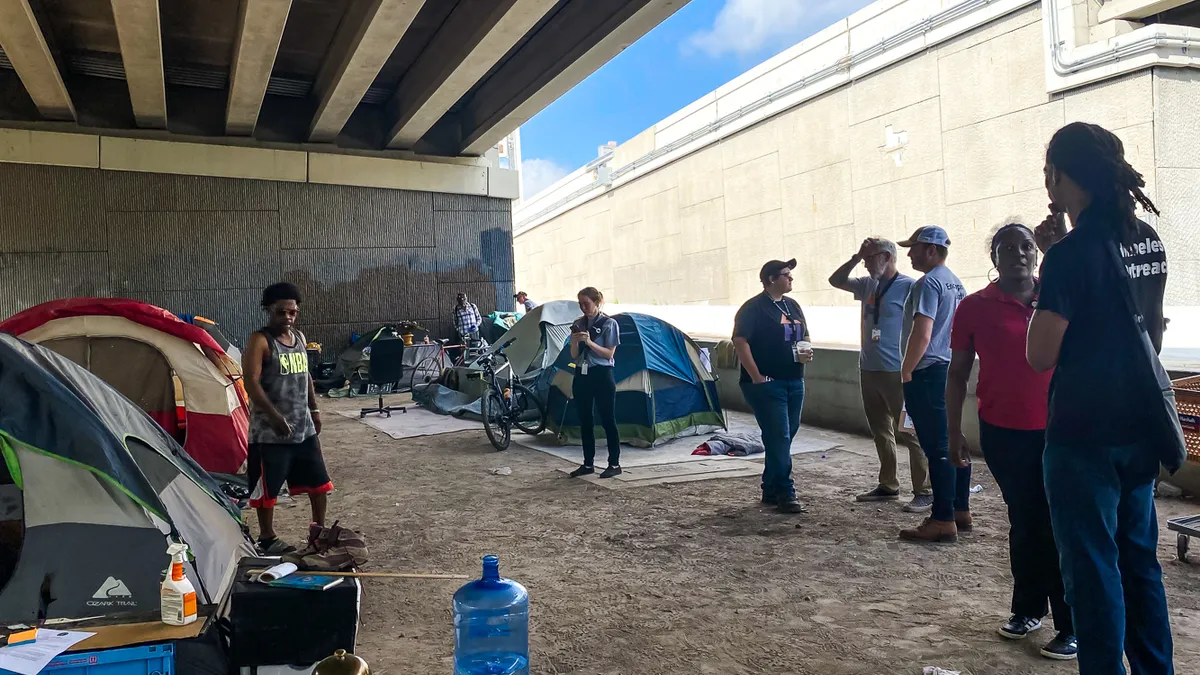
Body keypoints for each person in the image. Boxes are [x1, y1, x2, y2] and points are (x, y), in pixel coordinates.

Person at [1027, 121, 1173, 673]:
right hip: (1141, 426)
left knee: (1092, 570)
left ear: (1063, 176)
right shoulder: (1146, 239)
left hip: (1084, 431)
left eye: (1050, 174)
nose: (1048, 185)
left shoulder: (1069, 255)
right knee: (1139, 564)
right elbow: (1149, 327)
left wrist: (1051, 264)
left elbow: (1040, 354)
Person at [947, 223, 1076, 660]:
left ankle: (1071, 623)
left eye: (1026, 246)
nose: (1019, 253)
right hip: (1004, 433)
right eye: (1007, 248)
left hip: (1062, 430)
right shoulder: (974, 307)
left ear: (1037, 254)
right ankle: (1027, 610)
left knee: (1058, 522)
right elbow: (957, 373)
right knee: (1025, 518)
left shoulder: (1058, 294)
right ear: (994, 257)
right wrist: (953, 430)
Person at [829, 237, 932, 512]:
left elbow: (923, 327)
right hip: (868, 367)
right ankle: (889, 484)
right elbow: (835, 280)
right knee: (880, 430)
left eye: (870, 257)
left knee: (909, 431)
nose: (866, 262)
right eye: (864, 258)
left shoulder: (909, 286)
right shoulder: (867, 284)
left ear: (887, 257)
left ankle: (925, 489)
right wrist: (854, 257)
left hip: (895, 370)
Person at [243, 282, 333, 555]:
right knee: (266, 487)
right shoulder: (260, 341)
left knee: (318, 482)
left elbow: (305, 375)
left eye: (293, 312)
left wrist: (314, 410)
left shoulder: (300, 338)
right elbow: (251, 382)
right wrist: (274, 416)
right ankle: (267, 537)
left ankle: (318, 531)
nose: (288, 318)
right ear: (268, 311)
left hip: (302, 427)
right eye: (281, 312)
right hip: (270, 432)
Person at [895, 226, 968, 543]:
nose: (909, 253)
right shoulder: (956, 282)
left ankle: (941, 518)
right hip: (949, 368)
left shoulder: (928, 283)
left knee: (937, 447)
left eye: (914, 248)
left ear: (931, 250)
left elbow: (922, 333)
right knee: (952, 439)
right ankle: (959, 509)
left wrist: (906, 370)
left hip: (928, 369)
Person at [732, 259, 813, 514]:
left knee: (786, 434)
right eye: (786, 275)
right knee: (779, 435)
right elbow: (740, 341)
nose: (791, 279)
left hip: (794, 377)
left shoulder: (793, 305)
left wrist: (806, 349)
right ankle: (785, 491)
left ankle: (770, 485)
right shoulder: (754, 308)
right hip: (767, 383)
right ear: (770, 279)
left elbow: (805, 334)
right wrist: (756, 376)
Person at [567, 287, 623, 479]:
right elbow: (574, 355)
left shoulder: (609, 324)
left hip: (602, 373)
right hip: (582, 373)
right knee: (585, 420)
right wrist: (575, 341)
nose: (583, 308)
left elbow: (609, 354)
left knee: (608, 419)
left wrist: (590, 343)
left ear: (597, 302)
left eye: (587, 303)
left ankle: (614, 463)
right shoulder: (578, 323)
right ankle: (588, 463)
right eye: (580, 304)